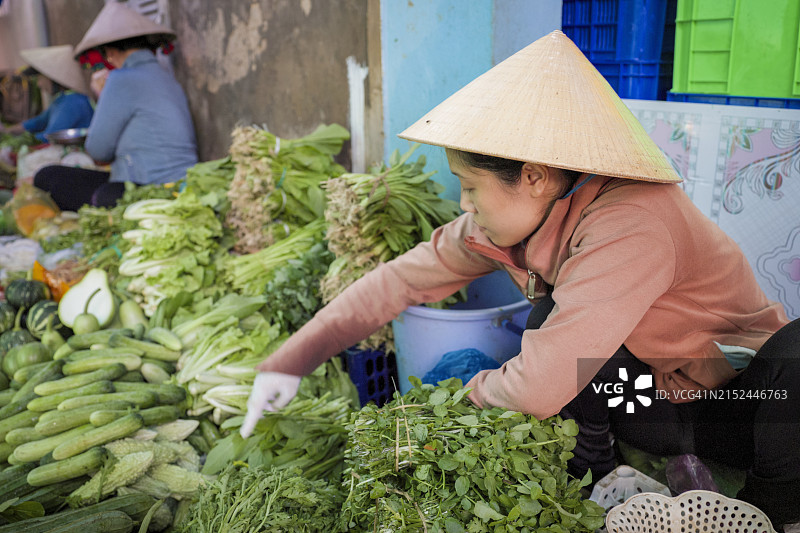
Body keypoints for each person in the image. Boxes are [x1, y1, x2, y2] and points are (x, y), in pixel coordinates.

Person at [241, 31, 800, 529]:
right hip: (658, 406)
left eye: (469, 185)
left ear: (534, 177)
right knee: (553, 325)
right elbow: (398, 282)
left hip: (745, 404)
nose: (462, 203)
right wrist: (291, 361)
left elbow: (536, 386)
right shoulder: (507, 223)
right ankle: (598, 476)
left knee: (793, 359)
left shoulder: (633, 222)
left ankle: (767, 511)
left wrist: (450, 409)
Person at [33, 1, 197, 211]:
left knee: (49, 178)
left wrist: (102, 94)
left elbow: (98, 150)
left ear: (110, 53)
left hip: (154, 188)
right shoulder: (166, 78)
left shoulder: (121, 79)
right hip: (181, 184)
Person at [0, 45, 93, 143]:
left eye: (40, 78)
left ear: (52, 77)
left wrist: (15, 142)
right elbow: (37, 122)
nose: (39, 84)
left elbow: (48, 137)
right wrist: (7, 131)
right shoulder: (61, 100)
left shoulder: (73, 102)